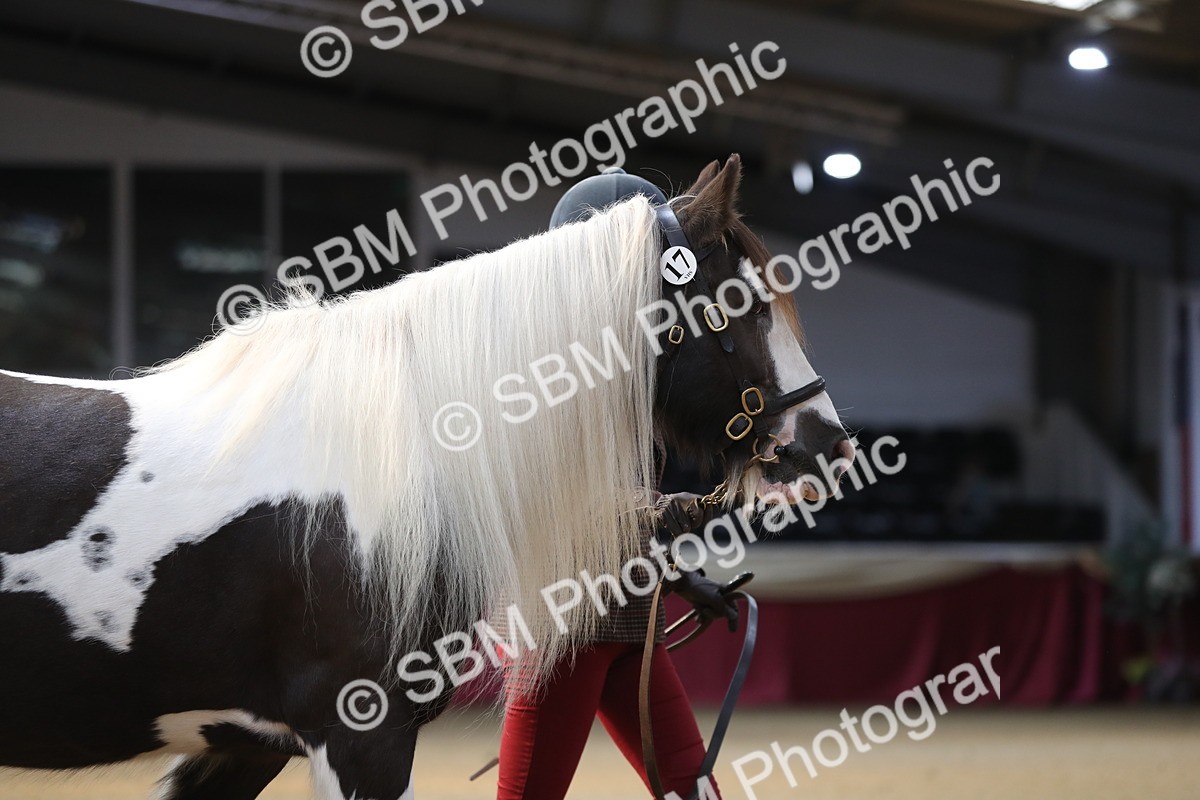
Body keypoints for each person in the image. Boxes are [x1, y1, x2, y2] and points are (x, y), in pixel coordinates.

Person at [495, 170, 739, 800]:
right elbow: (562, 507)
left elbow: (619, 508)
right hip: (565, 630)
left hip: (633, 620)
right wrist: (688, 510)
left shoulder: (627, 368)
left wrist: (683, 579)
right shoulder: (541, 374)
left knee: (695, 792)